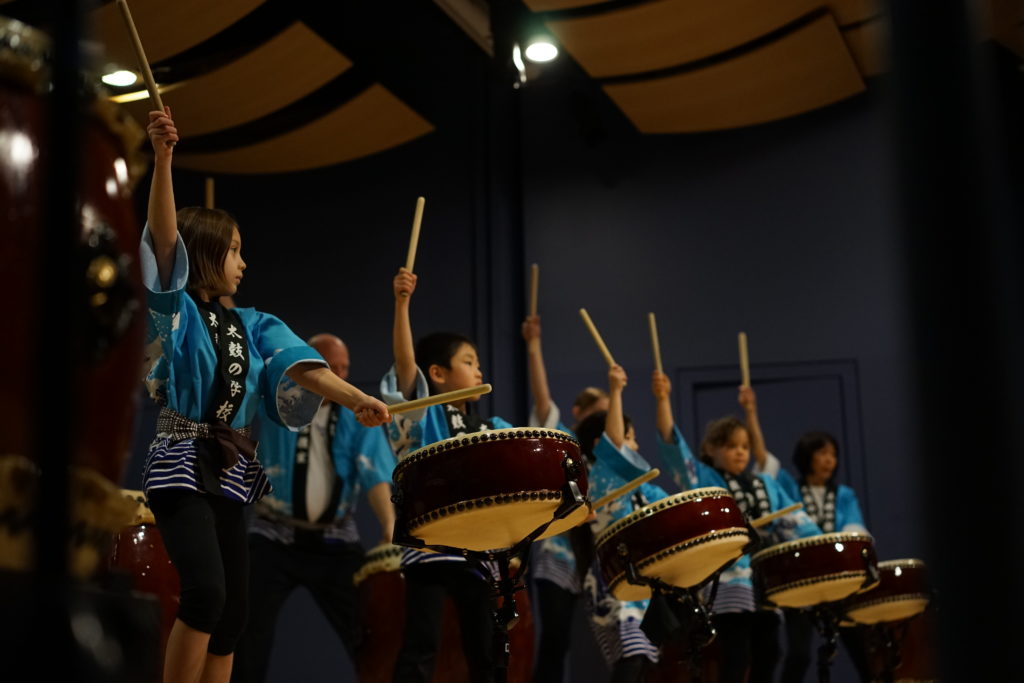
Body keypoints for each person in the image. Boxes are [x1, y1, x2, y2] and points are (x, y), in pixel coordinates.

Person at [139, 108, 390, 683]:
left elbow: (304, 369)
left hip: (230, 467)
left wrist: (355, 399)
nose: (243, 262)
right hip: (181, 462)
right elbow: (163, 237)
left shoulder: (253, 323)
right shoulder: (173, 312)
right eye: (234, 250)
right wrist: (164, 158)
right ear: (204, 253)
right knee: (205, 594)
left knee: (234, 617)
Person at [231, 334, 397, 683]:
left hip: (335, 539)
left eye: (344, 370)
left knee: (370, 632)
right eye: (329, 369)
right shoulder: (278, 400)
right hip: (273, 534)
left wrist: (389, 526)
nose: (337, 378)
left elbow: (375, 471)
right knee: (246, 632)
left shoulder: (358, 415)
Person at [381, 267, 514, 683]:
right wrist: (402, 304)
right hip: (430, 545)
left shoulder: (490, 429)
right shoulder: (425, 416)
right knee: (422, 645)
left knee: (485, 648)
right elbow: (406, 369)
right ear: (437, 375)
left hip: (476, 553)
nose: (478, 372)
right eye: (468, 362)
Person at [654, 377, 821, 683]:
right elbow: (674, 449)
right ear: (711, 449)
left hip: (764, 583)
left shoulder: (764, 484)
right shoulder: (705, 478)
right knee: (736, 654)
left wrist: (821, 547)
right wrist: (663, 399)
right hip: (729, 580)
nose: (741, 453)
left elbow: (797, 522)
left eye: (744, 447)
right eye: (731, 446)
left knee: (770, 652)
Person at [521, 314, 608, 683]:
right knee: (555, 641)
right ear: (578, 413)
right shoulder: (561, 442)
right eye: (599, 414)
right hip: (558, 557)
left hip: (590, 561)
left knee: (601, 641)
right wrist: (534, 346)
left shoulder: (604, 460)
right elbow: (543, 401)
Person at [753, 429, 870, 682]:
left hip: (839, 581)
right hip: (801, 582)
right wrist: (750, 413)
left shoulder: (845, 495)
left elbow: (854, 529)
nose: (830, 460)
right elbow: (764, 462)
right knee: (799, 655)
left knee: (864, 654)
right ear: (807, 456)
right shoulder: (788, 487)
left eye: (834, 455)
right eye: (823, 453)